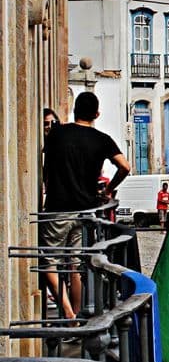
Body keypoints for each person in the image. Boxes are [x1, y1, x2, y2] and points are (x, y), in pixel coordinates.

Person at [41, 91, 130, 318]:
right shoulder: (102, 139)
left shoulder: (57, 134)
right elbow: (125, 166)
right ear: (97, 114)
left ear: (74, 110)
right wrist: (109, 190)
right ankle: (78, 316)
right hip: (85, 211)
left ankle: (69, 315)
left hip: (56, 209)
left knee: (49, 260)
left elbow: (47, 167)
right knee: (75, 265)